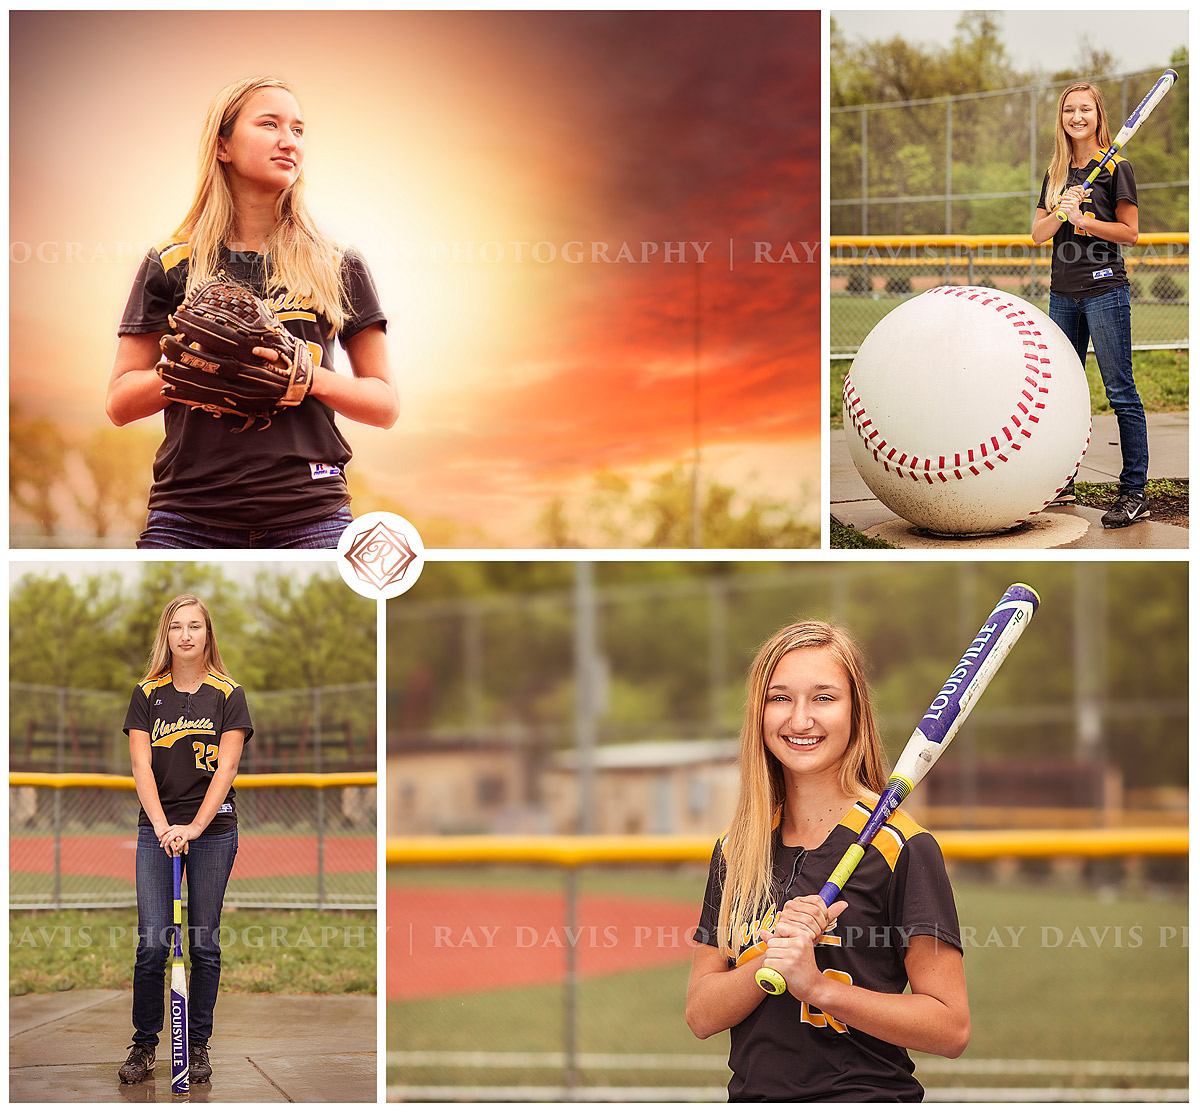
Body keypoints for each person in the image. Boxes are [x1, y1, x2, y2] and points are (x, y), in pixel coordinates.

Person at [106, 76, 399, 549]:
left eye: (299, 130)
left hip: (312, 514)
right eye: (270, 124)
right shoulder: (172, 260)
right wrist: (201, 368)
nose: (289, 141)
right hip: (188, 516)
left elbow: (384, 404)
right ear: (222, 146)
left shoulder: (338, 262)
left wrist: (307, 376)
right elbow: (119, 402)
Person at [685, 621, 968, 1101]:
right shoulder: (738, 849)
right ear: (758, 712)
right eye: (780, 698)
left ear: (855, 712)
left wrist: (817, 988)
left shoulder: (903, 847)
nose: (799, 720)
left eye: (823, 698)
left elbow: (950, 1026)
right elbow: (701, 1014)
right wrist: (767, 958)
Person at [118, 595, 253, 1087]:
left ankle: (196, 1044)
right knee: (153, 941)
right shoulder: (146, 693)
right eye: (177, 627)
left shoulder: (228, 693)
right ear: (166, 635)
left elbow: (228, 767)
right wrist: (161, 826)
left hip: (212, 830)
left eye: (195, 626)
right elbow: (140, 767)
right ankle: (144, 1043)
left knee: (204, 942)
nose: (186, 635)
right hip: (157, 830)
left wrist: (193, 828)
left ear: (208, 633)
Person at [1032, 80, 1149, 528]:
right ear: (1061, 119)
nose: (1076, 117)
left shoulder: (1117, 167)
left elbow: (1129, 233)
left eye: (1084, 110)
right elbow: (1039, 235)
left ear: (1098, 115)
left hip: (1105, 290)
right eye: (1068, 111)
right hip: (1062, 293)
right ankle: (1063, 483)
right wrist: (1062, 209)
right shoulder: (1056, 173)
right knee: (1065, 393)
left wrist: (1086, 220)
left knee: (1120, 392)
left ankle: (1134, 493)